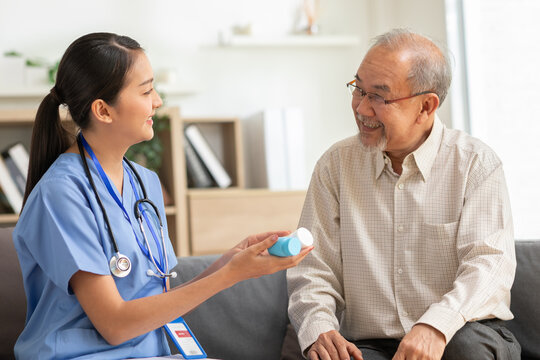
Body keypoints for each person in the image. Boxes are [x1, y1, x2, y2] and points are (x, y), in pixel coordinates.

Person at [12, 32, 312, 359]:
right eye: (146, 90)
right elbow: (114, 324)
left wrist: (233, 260)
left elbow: (156, 296)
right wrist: (231, 274)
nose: (158, 101)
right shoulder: (61, 194)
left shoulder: (145, 184)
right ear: (103, 110)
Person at [287, 29, 520, 360]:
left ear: (426, 106)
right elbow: (313, 269)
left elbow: (489, 265)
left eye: (379, 97)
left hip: (462, 333)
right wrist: (319, 329)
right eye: (358, 89)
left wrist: (435, 326)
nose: (362, 109)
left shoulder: (475, 164)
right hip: (371, 343)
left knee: (466, 352)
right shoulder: (335, 165)